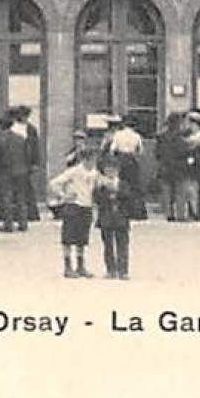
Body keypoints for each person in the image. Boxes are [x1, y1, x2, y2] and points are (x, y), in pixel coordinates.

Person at [47, 147, 101, 278]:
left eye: (94, 160)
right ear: (84, 159)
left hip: (86, 206)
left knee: (82, 238)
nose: (92, 162)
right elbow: (54, 183)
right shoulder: (74, 171)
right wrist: (64, 195)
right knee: (68, 237)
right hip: (73, 206)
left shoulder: (95, 173)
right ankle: (67, 266)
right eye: (89, 159)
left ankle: (81, 265)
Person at [94, 152, 135, 279]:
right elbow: (97, 198)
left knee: (122, 244)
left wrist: (116, 193)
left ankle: (123, 269)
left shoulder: (123, 184)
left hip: (121, 217)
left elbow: (129, 198)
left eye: (114, 169)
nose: (111, 172)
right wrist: (105, 191)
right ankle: (110, 269)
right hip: (106, 217)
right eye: (108, 169)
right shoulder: (100, 186)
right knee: (108, 245)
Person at [0, 113, 34, 232]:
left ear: (1, 126)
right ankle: (23, 224)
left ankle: (8, 224)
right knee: (21, 198)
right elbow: (28, 155)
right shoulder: (21, 138)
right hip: (21, 172)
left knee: (7, 198)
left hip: (5, 172)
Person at [102, 115, 148, 221]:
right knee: (134, 186)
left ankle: (121, 209)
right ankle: (136, 211)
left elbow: (112, 149)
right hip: (132, 160)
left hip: (121, 160)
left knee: (120, 184)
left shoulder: (118, 135)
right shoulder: (137, 136)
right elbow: (140, 151)